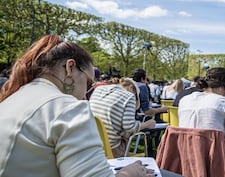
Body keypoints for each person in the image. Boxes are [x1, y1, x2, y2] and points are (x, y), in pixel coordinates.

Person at [0, 35, 154, 177]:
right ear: (70, 67)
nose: (86, 93)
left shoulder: (12, 99)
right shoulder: (69, 108)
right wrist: (128, 174)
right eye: (88, 83)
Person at [89, 77, 156, 158]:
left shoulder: (98, 90)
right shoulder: (129, 96)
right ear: (131, 87)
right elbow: (130, 127)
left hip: (94, 145)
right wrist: (147, 124)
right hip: (113, 149)